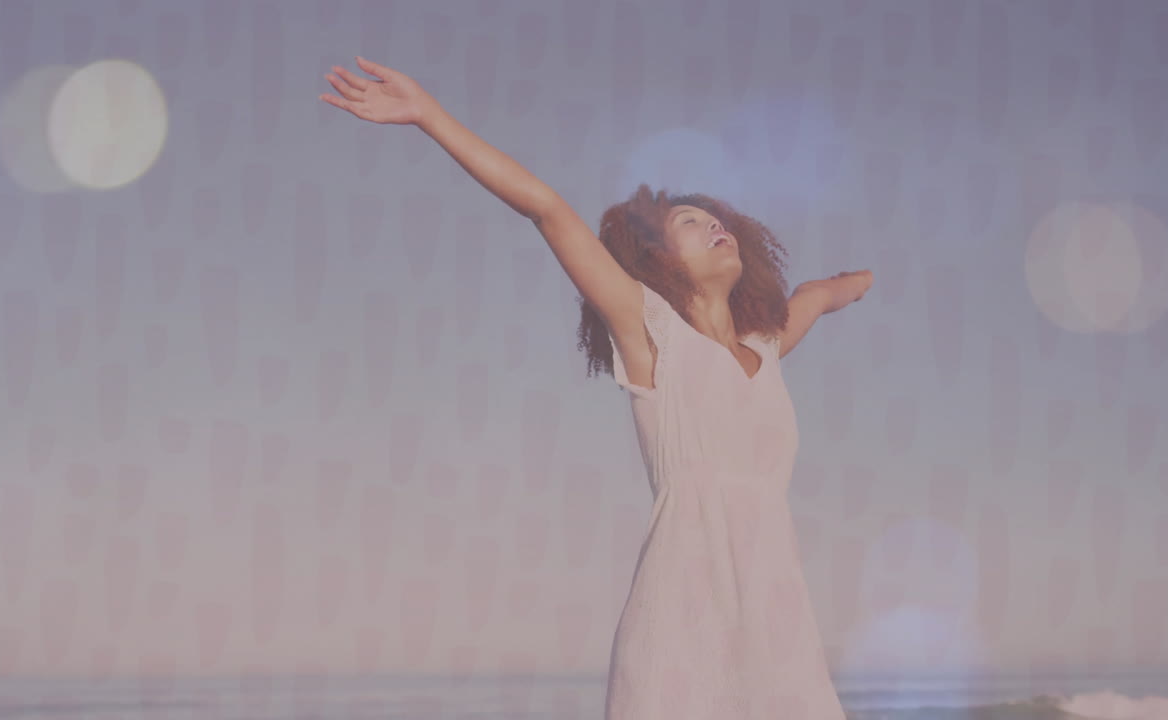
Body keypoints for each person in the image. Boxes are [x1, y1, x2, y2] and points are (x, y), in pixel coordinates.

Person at [321, 56, 872, 719]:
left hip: (779, 626)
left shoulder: (765, 346)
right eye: (691, 223)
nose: (714, 224)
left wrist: (864, 282)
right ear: (661, 261)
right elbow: (547, 209)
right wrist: (431, 118)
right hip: (680, 624)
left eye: (716, 218)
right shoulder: (651, 330)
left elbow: (816, 294)